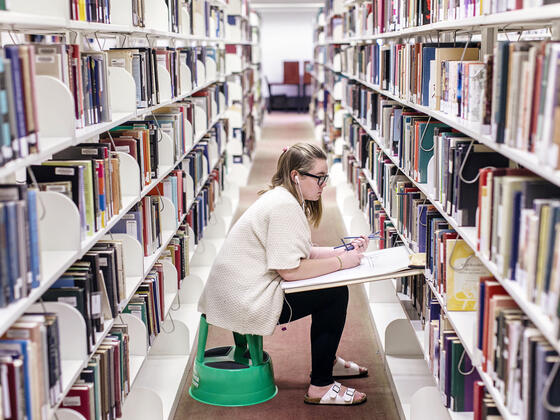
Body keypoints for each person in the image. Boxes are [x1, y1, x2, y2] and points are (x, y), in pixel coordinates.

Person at [198, 142, 369, 405]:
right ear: (296, 176)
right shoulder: (284, 206)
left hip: (243, 289)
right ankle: (321, 385)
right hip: (247, 300)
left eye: (326, 177)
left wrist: (341, 251)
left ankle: (327, 358)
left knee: (331, 283)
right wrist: (340, 262)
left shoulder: (283, 197)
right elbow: (289, 270)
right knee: (334, 293)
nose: (323, 184)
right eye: (318, 178)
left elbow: (302, 251)